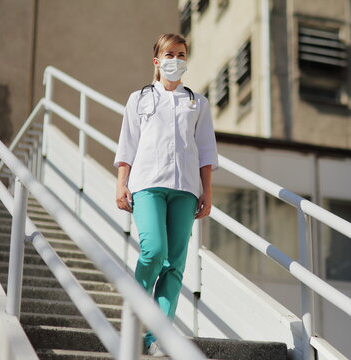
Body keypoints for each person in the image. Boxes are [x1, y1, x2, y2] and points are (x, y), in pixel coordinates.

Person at [113, 33, 219, 356]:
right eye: (169, 54)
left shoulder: (197, 103)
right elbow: (127, 143)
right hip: (147, 185)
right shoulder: (140, 98)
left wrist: (207, 192)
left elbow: (205, 152)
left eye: (182, 54)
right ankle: (135, 315)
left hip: (186, 190)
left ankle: (156, 337)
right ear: (157, 61)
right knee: (154, 251)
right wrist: (122, 183)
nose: (176, 60)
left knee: (174, 265)